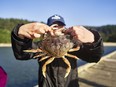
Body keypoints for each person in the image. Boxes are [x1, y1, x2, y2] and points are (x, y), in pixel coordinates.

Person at [11, 14, 104, 87]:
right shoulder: (42, 45)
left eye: (60, 26)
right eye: (54, 26)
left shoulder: (73, 43)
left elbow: (94, 57)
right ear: (47, 28)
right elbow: (22, 54)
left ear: (64, 27)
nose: (57, 28)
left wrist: (93, 40)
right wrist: (20, 37)